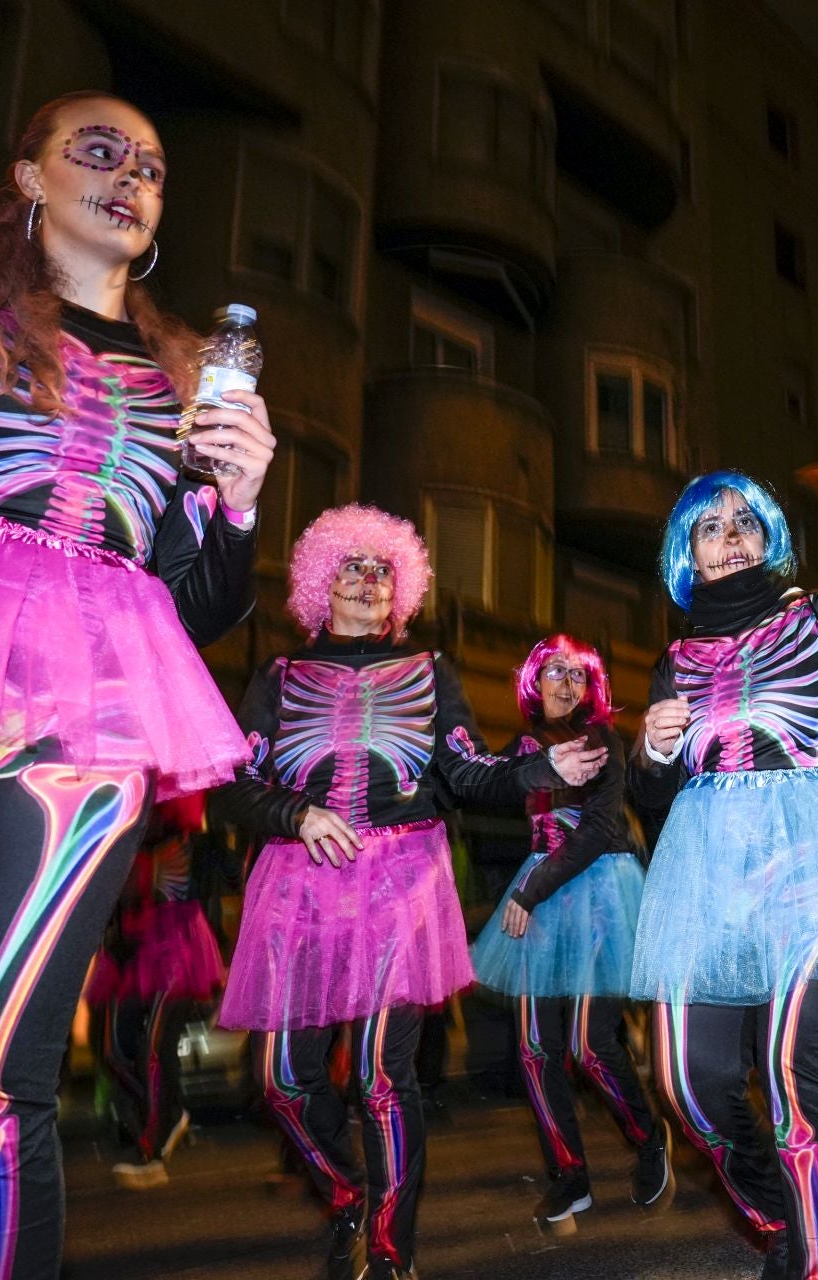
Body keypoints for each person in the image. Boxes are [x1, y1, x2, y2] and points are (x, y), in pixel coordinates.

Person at [0, 91, 272, 1278]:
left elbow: (196, 605)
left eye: (153, 165)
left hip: (91, 709)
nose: (130, 175)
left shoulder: (191, 381)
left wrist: (237, 505)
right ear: (30, 176)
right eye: (98, 150)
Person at [211, 505, 606, 1280]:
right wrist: (296, 813)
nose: (367, 579)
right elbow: (235, 782)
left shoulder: (429, 672)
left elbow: (467, 770)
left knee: (381, 1074)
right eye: (351, 566)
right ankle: (347, 1198)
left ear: (402, 589)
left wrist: (540, 769)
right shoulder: (280, 677)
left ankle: (392, 1251)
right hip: (298, 886)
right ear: (321, 581)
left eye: (381, 569)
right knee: (282, 1081)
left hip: (400, 880)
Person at [630, 457, 818, 1280]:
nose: (729, 537)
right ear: (688, 554)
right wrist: (650, 752)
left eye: (744, 522)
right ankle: (783, 1215)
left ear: (768, 538)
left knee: (795, 1072)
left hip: (814, 864)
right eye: (709, 527)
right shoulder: (674, 660)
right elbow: (653, 796)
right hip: (711, 882)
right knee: (687, 1079)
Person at [471, 634, 670, 1229]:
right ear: (535, 681)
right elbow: (473, 782)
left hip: (599, 889)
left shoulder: (602, 739)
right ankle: (569, 1174)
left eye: (578, 674)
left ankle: (649, 1139)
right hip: (539, 895)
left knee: (588, 1043)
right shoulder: (522, 748)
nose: (566, 683)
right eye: (555, 672)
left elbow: (595, 832)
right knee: (534, 1049)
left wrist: (530, 891)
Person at [85, 792, 227, 1189]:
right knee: (114, 1050)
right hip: (130, 945)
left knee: (155, 1046)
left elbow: (191, 854)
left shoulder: (179, 825)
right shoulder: (119, 831)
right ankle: (168, 1112)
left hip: (178, 944)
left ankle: (154, 1149)